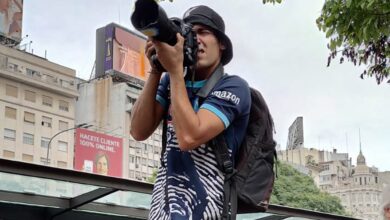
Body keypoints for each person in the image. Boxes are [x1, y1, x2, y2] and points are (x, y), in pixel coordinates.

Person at [130, 5, 251, 219]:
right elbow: (138, 131)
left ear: (222, 43)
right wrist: (157, 70)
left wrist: (176, 71)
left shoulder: (233, 87)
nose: (197, 40)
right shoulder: (171, 82)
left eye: (204, 32)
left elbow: (189, 137)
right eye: (191, 34)